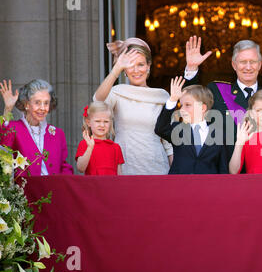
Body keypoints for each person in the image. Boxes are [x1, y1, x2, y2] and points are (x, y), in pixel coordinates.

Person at [183, 36, 262, 161]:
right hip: (223, 170)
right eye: (243, 62)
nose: (248, 67)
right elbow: (190, 104)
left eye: (253, 62)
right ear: (234, 65)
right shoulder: (217, 91)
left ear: (259, 65)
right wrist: (192, 68)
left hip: (261, 172)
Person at [93, 37, 173, 175]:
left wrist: (176, 175)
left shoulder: (163, 96)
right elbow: (97, 102)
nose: (136, 70)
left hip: (157, 168)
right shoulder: (117, 92)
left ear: (149, 66)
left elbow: (168, 143)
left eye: (141, 64)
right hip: (124, 167)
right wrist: (116, 69)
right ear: (125, 69)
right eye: (130, 65)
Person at [154, 76, 228, 174]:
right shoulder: (178, 130)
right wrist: (172, 100)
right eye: (181, 105)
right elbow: (160, 129)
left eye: (187, 105)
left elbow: (222, 167)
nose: (182, 109)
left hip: (208, 187)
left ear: (202, 108)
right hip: (180, 185)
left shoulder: (218, 135)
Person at [0, 79, 73, 176]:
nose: (42, 108)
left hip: (54, 189)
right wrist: (8, 109)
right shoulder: (13, 128)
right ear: (27, 104)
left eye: (46, 103)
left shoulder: (57, 134)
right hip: (26, 190)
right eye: (37, 102)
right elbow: (3, 150)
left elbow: (64, 167)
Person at [75, 101, 124, 175]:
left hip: (111, 186)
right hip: (92, 186)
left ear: (110, 123)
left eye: (106, 121)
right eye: (97, 121)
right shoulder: (85, 144)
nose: (102, 125)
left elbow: (120, 175)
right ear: (88, 122)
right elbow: (80, 168)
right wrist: (90, 148)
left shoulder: (116, 148)